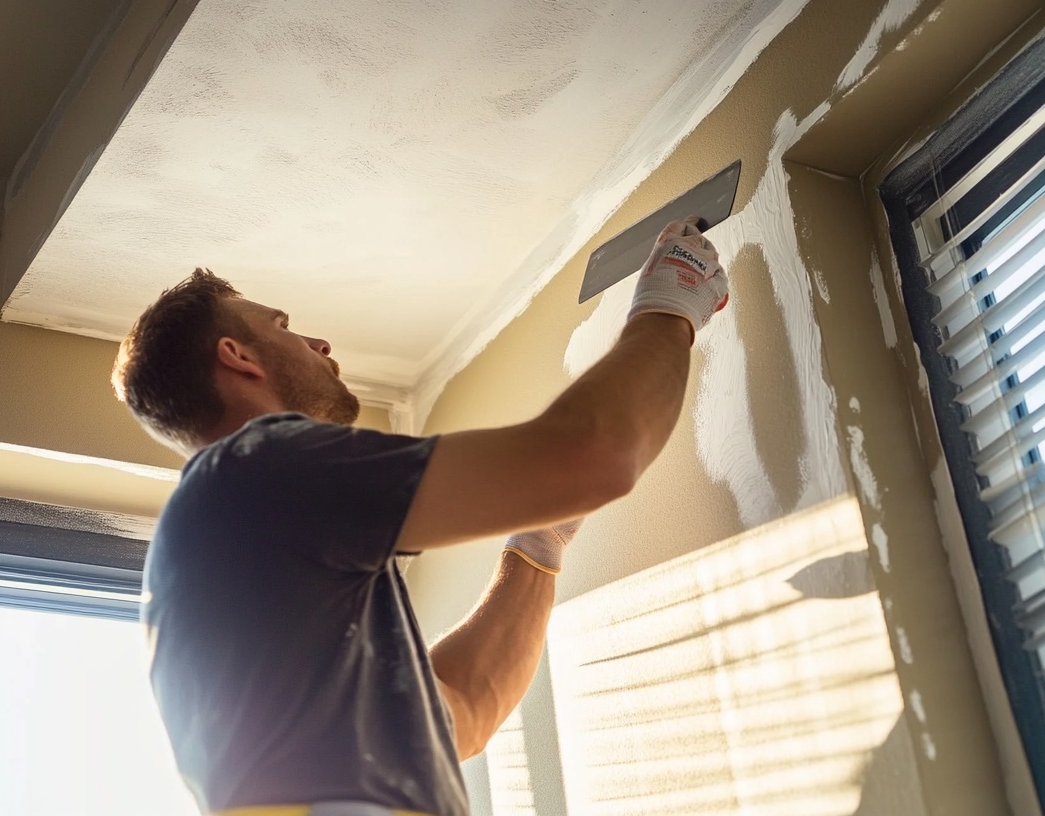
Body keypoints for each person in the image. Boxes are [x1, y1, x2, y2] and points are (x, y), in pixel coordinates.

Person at [110, 217, 729, 816]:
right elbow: (596, 453)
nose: (319, 344)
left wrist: (538, 545)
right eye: (284, 326)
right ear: (237, 356)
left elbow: (463, 711)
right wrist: (668, 309)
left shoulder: (249, 543)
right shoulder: (256, 465)